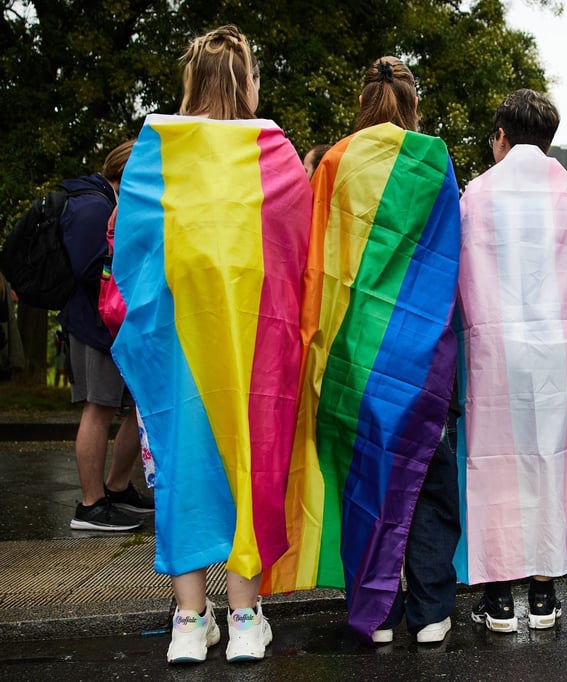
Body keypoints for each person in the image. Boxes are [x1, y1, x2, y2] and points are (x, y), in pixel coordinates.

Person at [111, 25, 312, 663]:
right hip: (256, 349)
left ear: (192, 81)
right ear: (245, 82)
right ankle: (246, 618)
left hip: (178, 349)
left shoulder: (158, 150)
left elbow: (131, 254)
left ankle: (190, 623)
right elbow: (300, 248)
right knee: (253, 463)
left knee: (183, 465)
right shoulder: (272, 153)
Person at [260, 56, 462, 646]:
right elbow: (449, 259)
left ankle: (376, 611)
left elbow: (317, 262)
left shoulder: (336, 162)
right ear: (413, 103)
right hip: (421, 355)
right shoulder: (435, 159)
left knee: (362, 480)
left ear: (363, 102)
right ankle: (431, 611)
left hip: (352, 353)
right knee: (426, 479)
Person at [455, 89, 567, 633]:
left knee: (494, 467)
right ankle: (542, 593)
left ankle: (497, 598)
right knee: (552, 464)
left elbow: (457, 276)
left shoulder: (477, 195)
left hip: (495, 352)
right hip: (563, 356)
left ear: (501, 138)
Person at [60, 139, 150, 533]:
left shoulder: (106, 203)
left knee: (134, 405)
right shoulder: (93, 205)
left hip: (110, 324)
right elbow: (89, 267)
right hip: (93, 325)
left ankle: (115, 488)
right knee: (98, 409)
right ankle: (90, 505)